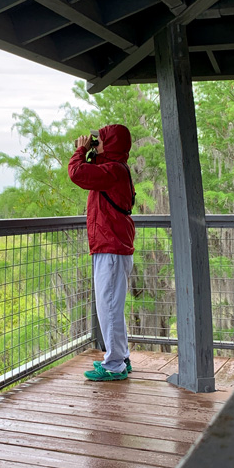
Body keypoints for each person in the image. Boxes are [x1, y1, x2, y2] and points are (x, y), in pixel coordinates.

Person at [68, 124, 135, 381]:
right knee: (112, 307)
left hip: (111, 246)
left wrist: (80, 151)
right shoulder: (114, 168)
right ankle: (121, 357)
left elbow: (77, 173)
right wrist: (92, 151)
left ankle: (114, 364)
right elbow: (91, 171)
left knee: (108, 307)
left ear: (113, 144)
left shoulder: (114, 171)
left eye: (101, 140)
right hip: (110, 245)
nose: (96, 142)